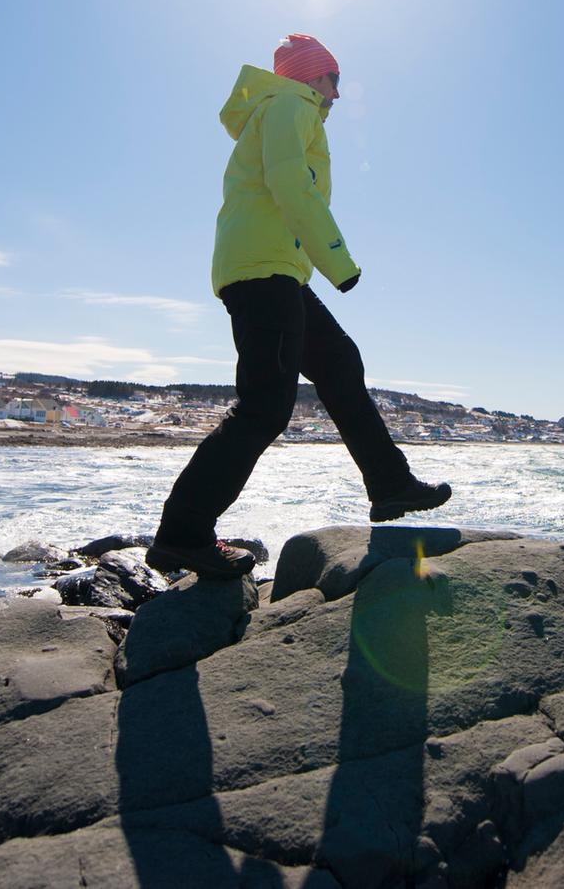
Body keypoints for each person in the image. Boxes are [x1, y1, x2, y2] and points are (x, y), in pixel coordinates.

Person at [147, 33, 452, 579]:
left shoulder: (285, 108)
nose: (338, 92)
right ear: (311, 76)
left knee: (340, 363)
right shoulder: (290, 104)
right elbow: (290, 182)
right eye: (334, 79)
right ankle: (181, 534)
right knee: (265, 406)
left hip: (275, 270)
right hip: (265, 273)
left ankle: (390, 485)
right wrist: (338, 261)